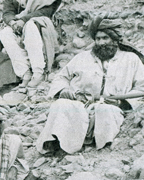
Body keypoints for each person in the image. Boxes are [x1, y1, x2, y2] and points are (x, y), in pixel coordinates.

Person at [36, 15, 144, 155]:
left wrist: (121, 101)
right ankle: (56, 146)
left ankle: (95, 149)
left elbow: (141, 88)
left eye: (105, 38)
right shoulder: (82, 57)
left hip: (110, 107)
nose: (101, 43)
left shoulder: (131, 59)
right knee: (60, 105)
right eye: (98, 39)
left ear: (115, 40)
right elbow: (61, 77)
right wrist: (64, 90)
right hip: (80, 103)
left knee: (105, 113)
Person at [0, 0, 62, 90]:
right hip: (18, 24)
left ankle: (38, 72)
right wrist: (13, 22)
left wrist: (25, 19)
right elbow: (7, 12)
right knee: (4, 33)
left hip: (40, 23)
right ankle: (25, 73)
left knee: (31, 26)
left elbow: (48, 10)